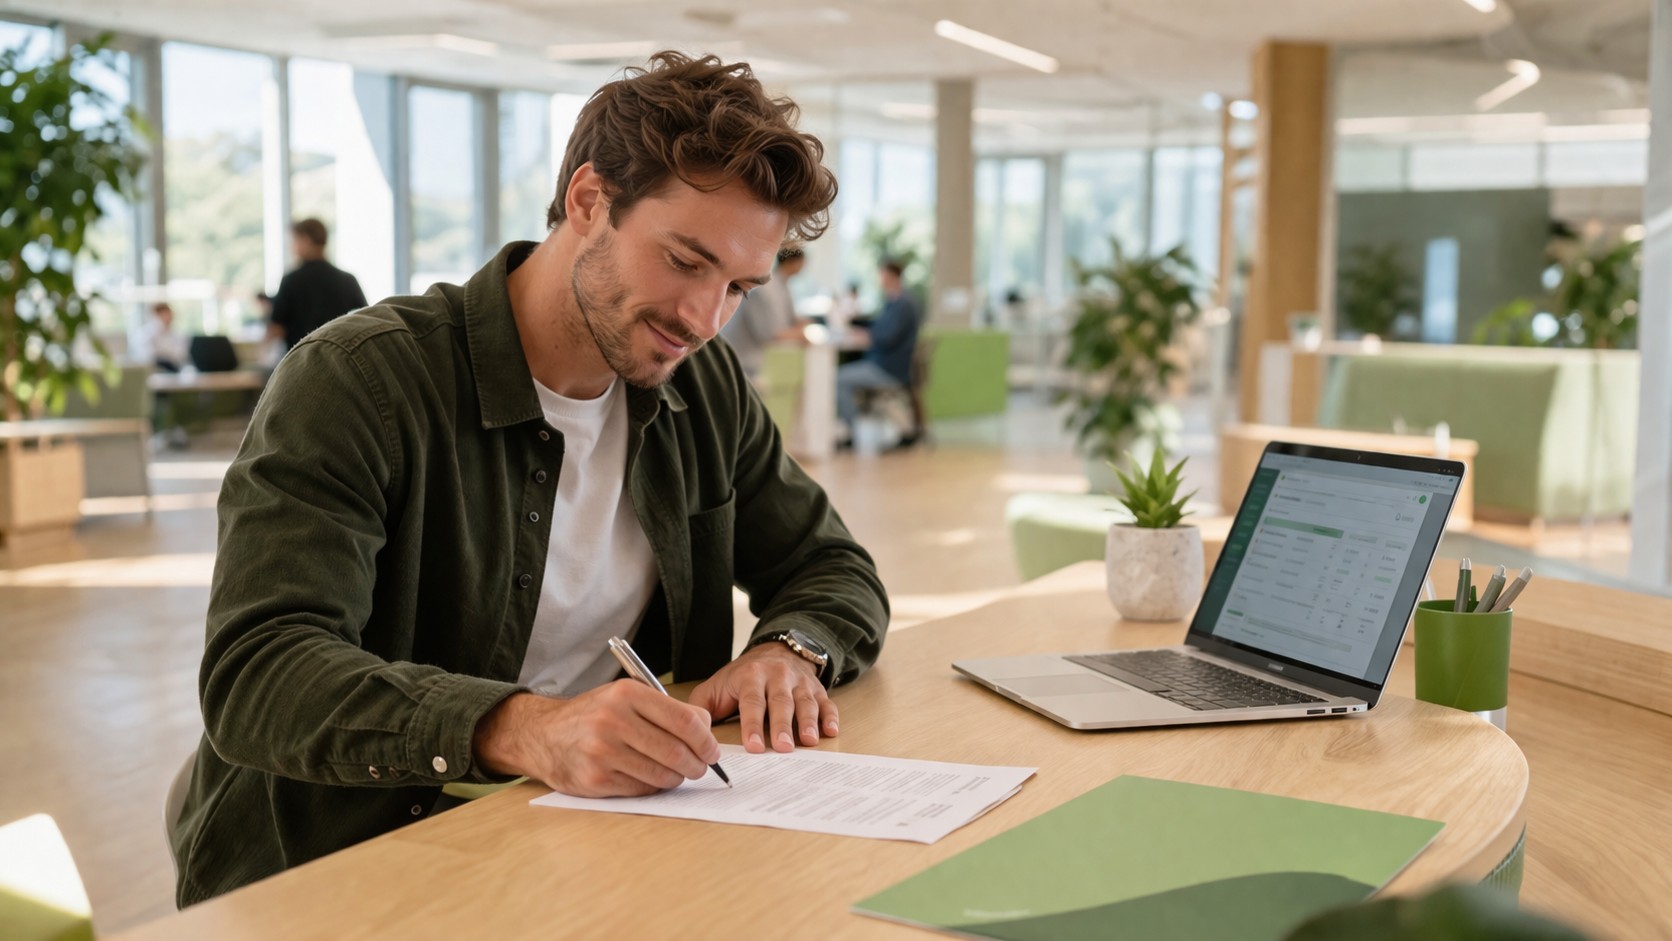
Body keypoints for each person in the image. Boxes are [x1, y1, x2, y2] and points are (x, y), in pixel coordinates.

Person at [173, 52, 889, 906]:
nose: (704, 319)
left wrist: (788, 648)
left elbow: (834, 568)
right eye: (686, 261)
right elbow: (259, 672)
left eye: (738, 286)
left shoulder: (702, 387)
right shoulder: (357, 382)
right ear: (588, 201)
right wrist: (525, 727)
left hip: (594, 846)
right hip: (350, 860)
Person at [835, 260, 921, 441]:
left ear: (890, 276)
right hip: (882, 363)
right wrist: (857, 324)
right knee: (846, 372)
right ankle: (854, 428)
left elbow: (886, 337)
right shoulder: (894, 301)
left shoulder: (903, 304)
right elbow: (879, 326)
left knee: (839, 378)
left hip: (888, 368)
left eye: (881, 275)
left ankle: (851, 434)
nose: (879, 279)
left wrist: (868, 336)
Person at [266, 218, 367, 353]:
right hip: (338, 357)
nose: (292, 247)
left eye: (294, 241)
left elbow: (277, 328)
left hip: (299, 360)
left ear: (305, 240)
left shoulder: (291, 280)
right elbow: (365, 319)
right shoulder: (348, 280)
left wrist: (261, 353)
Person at [719, 244, 806, 378]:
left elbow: (790, 319)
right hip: (740, 362)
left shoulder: (783, 286)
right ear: (795, 262)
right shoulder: (765, 290)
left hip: (752, 361)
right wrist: (800, 335)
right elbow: (769, 334)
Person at [135, 302, 187, 373]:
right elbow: (147, 356)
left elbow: (180, 355)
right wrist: (167, 353)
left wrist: (162, 352)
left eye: (168, 314)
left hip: (174, 370)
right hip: (152, 371)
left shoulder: (177, 334)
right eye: (162, 315)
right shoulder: (145, 334)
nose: (166, 318)